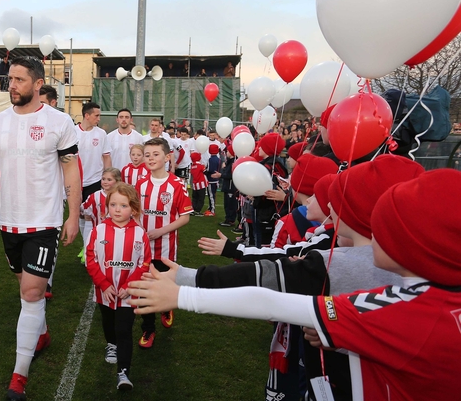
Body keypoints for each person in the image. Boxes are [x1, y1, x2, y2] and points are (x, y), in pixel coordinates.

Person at [130, 167, 460, 401]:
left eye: (384, 230)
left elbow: (271, 297)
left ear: (413, 245)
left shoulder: (410, 313)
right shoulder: (429, 300)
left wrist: (184, 292)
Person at [0, 56, 81, 401]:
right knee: (26, 289)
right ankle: (40, 334)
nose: (10, 85)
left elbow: (70, 169)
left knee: (30, 294)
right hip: (9, 223)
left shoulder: (59, 122)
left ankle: (19, 377)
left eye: (18, 80)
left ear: (38, 84)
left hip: (44, 223)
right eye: (9, 79)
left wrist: (73, 215)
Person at [85, 182, 150, 391]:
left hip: (128, 294)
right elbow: (91, 259)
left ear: (133, 208)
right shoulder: (99, 230)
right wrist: (103, 284)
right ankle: (110, 344)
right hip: (105, 292)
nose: (117, 210)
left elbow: (145, 263)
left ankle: (124, 372)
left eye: (123, 206)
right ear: (107, 206)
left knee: (124, 329)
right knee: (108, 322)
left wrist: (130, 286)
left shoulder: (140, 233)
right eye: (113, 205)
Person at [134, 137, 192, 348]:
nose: (150, 158)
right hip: (142, 250)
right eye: (147, 155)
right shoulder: (140, 184)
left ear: (167, 157)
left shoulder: (177, 185)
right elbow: (136, 213)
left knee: (163, 284)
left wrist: (160, 231)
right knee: (145, 289)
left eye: (155, 154)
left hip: (166, 248)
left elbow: (184, 218)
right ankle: (148, 330)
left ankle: (167, 306)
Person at [76, 102, 112, 262]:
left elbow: (106, 156)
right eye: (96, 115)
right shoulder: (72, 132)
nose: (99, 118)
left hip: (95, 181)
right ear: (87, 115)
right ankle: (86, 247)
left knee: (90, 216)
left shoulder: (101, 134)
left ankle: (87, 252)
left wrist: (109, 178)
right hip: (76, 182)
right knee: (79, 216)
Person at [81, 168, 121, 251]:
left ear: (117, 181)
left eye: (109, 179)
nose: (105, 182)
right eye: (103, 179)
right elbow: (84, 209)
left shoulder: (122, 196)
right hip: (99, 233)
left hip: (118, 233)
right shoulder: (94, 196)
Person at [204, 144, 221, 217]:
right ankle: (210, 207)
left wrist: (204, 171)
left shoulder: (210, 160)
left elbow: (209, 169)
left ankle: (212, 209)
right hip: (216, 179)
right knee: (212, 194)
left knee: (211, 195)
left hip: (211, 179)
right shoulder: (218, 159)